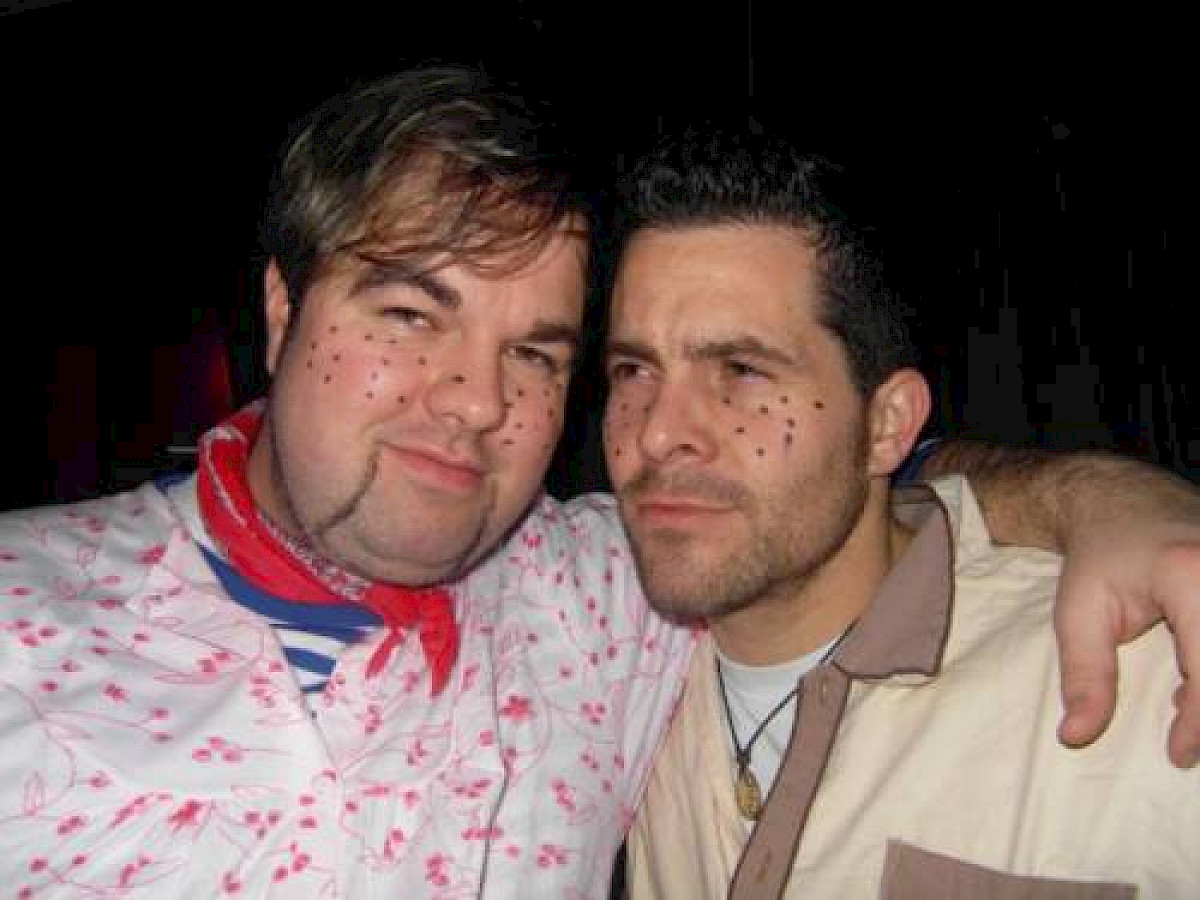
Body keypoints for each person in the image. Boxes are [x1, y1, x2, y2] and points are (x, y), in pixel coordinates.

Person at [0, 67, 1195, 899]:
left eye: (535, 354)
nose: (476, 400)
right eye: (412, 313)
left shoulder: (595, 596)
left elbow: (842, 495)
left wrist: (1105, 498)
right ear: (280, 310)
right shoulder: (19, 619)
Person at [613, 128, 1198, 898]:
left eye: (743, 371)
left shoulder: (1146, 678)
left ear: (887, 425)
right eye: (633, 369)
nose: (657, 432)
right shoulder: (602, 651)